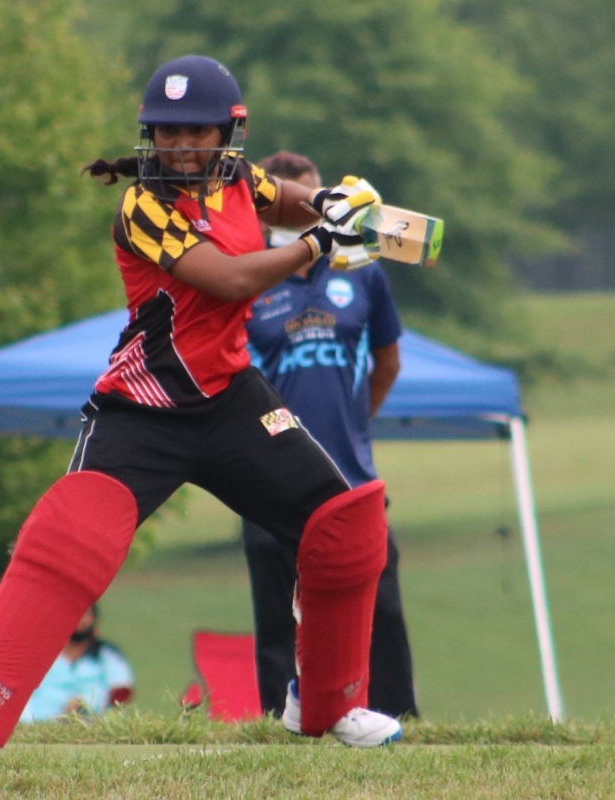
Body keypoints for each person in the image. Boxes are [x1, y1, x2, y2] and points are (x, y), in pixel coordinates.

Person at [0, 54, 402, 750]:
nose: (180, 146)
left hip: (231, 399)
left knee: (343, 523)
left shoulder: (239, 177)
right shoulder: (142, 206)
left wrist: (328, 201)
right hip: (143, 406)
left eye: (195, 132)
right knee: (67, 542)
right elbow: (232, 279)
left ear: (228, 133)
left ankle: (328, 705)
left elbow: (281, 197)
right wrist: (315, 246)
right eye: (166, 132)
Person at [243, 151, 420, 720]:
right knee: (278, 615)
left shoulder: (363, 269)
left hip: (350, 472)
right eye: (293, 202)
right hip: (270, 475)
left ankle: (396, 718)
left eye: (315, 199)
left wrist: (352, 424)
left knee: (381, 608)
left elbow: (388, 362)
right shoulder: (249, 274)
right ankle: (281, 722)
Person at [19, 604, 134, 722]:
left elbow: (121, 691)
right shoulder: (39, 652)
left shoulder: (107, 654)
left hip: (89, 726)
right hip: (39, 723)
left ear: (93, 619)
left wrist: (85, 705)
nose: (79, 619)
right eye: (75, 614)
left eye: (85, 614)